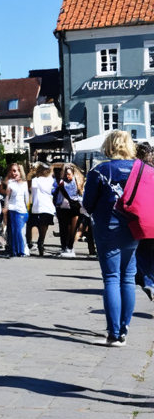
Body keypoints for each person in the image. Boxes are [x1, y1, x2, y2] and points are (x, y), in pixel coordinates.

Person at [83, 131, 139, 347]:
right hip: (135, 227)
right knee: (128, 277)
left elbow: (88, 203)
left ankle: (114, 333)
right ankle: (124, 329)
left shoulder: (100, 170)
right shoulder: (144, 170)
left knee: (112, 278)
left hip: (108, 227)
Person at [27, 163, 57, 257]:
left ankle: (29, 242)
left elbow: (32, 190)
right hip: (48, 207)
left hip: (37, 205)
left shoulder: (35, 180)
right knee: (44, 227)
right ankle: (41, 243)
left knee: (31, 225)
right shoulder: (52, 180)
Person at [3, 163, 30, 258]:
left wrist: (27, 208)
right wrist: (5, 209)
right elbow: (7, 197)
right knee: (12, 230)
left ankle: (21, 250)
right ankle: (13, 250)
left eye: (15, 171)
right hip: (12, 208)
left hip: (21, 209)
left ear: (20, 171)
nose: (14, 173)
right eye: (12, 171)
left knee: (19, 230)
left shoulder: (25, 183)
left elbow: (26, 197)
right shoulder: (10, 183)